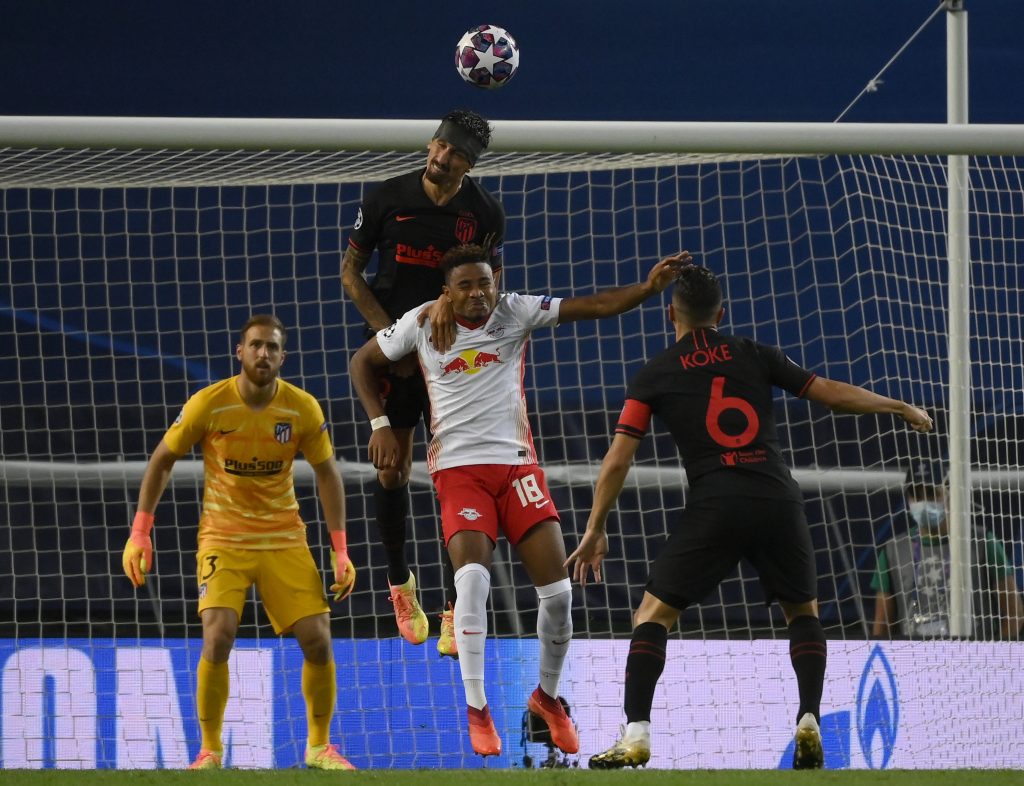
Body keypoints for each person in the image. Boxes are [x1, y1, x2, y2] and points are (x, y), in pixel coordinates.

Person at [565, 265, 934, 770]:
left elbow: (618, 458)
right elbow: (828, 392)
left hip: (717, 502)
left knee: (652, 617)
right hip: (777, 498)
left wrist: (595, 528)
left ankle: (636, 733)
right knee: (802, 613)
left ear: (670, 313)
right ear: (722, 313)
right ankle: (807, 717)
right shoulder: (755, 353)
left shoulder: (655, 372)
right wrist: (896, 406)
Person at [349, 243, 691, 757]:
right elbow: (362, 361)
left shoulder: (514, 310)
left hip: (517, 469)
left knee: (559, 596)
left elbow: (591, 305)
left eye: (483, 282)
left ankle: (548, 699)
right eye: (464, 285)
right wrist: (380, 423)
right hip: (461, 472)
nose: (477, 293)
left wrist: (646, 289)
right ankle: (477, 706)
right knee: (472, 584)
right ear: (447, 291)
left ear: (496, 281)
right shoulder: (421, 322)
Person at [121, 315, 357, 771]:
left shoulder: (302, 408)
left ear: (282, 356)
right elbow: (163, 458)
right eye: (255, 346)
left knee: (319, 640)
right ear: (240, 351)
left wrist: (340, 548)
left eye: (271, 347)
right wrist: (139, 532)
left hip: (284, 536)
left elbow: (328, 473)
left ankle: (318, 747)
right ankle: (210, 751)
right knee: (218, 635)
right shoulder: (208, 404)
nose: (263, 354)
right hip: (223, 536)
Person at [341, 108, 506, 657]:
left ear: (470, 162)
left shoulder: (482, 214)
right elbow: (351, 273)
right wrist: (392, 334)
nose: (441, 157)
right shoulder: (386, 198)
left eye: (455, 154)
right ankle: (399, 584)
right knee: (392, 471)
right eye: (438, 146)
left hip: (455, 362)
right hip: (395, 353)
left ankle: (455, 608)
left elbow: (484, 286)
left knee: (457, 477)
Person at [871, 459, 1024, 640]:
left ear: (949, 493)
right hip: (913, 660)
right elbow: (881, 627)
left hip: (973, 659)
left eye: (931, 493)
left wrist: (991, 658)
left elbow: (1015, 614)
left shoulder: (982, 541)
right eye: (916, 495)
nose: (923, 502)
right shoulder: (893, 550)